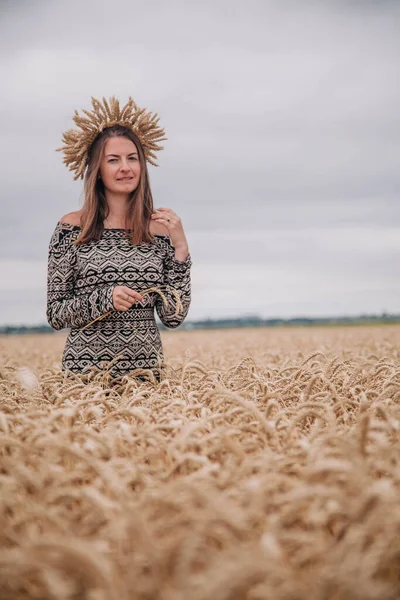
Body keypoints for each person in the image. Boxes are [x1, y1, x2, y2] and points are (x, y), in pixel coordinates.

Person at [46, 96, 192, 384]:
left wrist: (181, 249)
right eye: (113, 160)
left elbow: (173, 316)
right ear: (96, 170)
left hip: (147, 382)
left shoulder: (159, 230)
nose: (125, 167)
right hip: (85, 383)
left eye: (132, 158)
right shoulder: (71, 228)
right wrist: (105, 298)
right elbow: (56, 314)